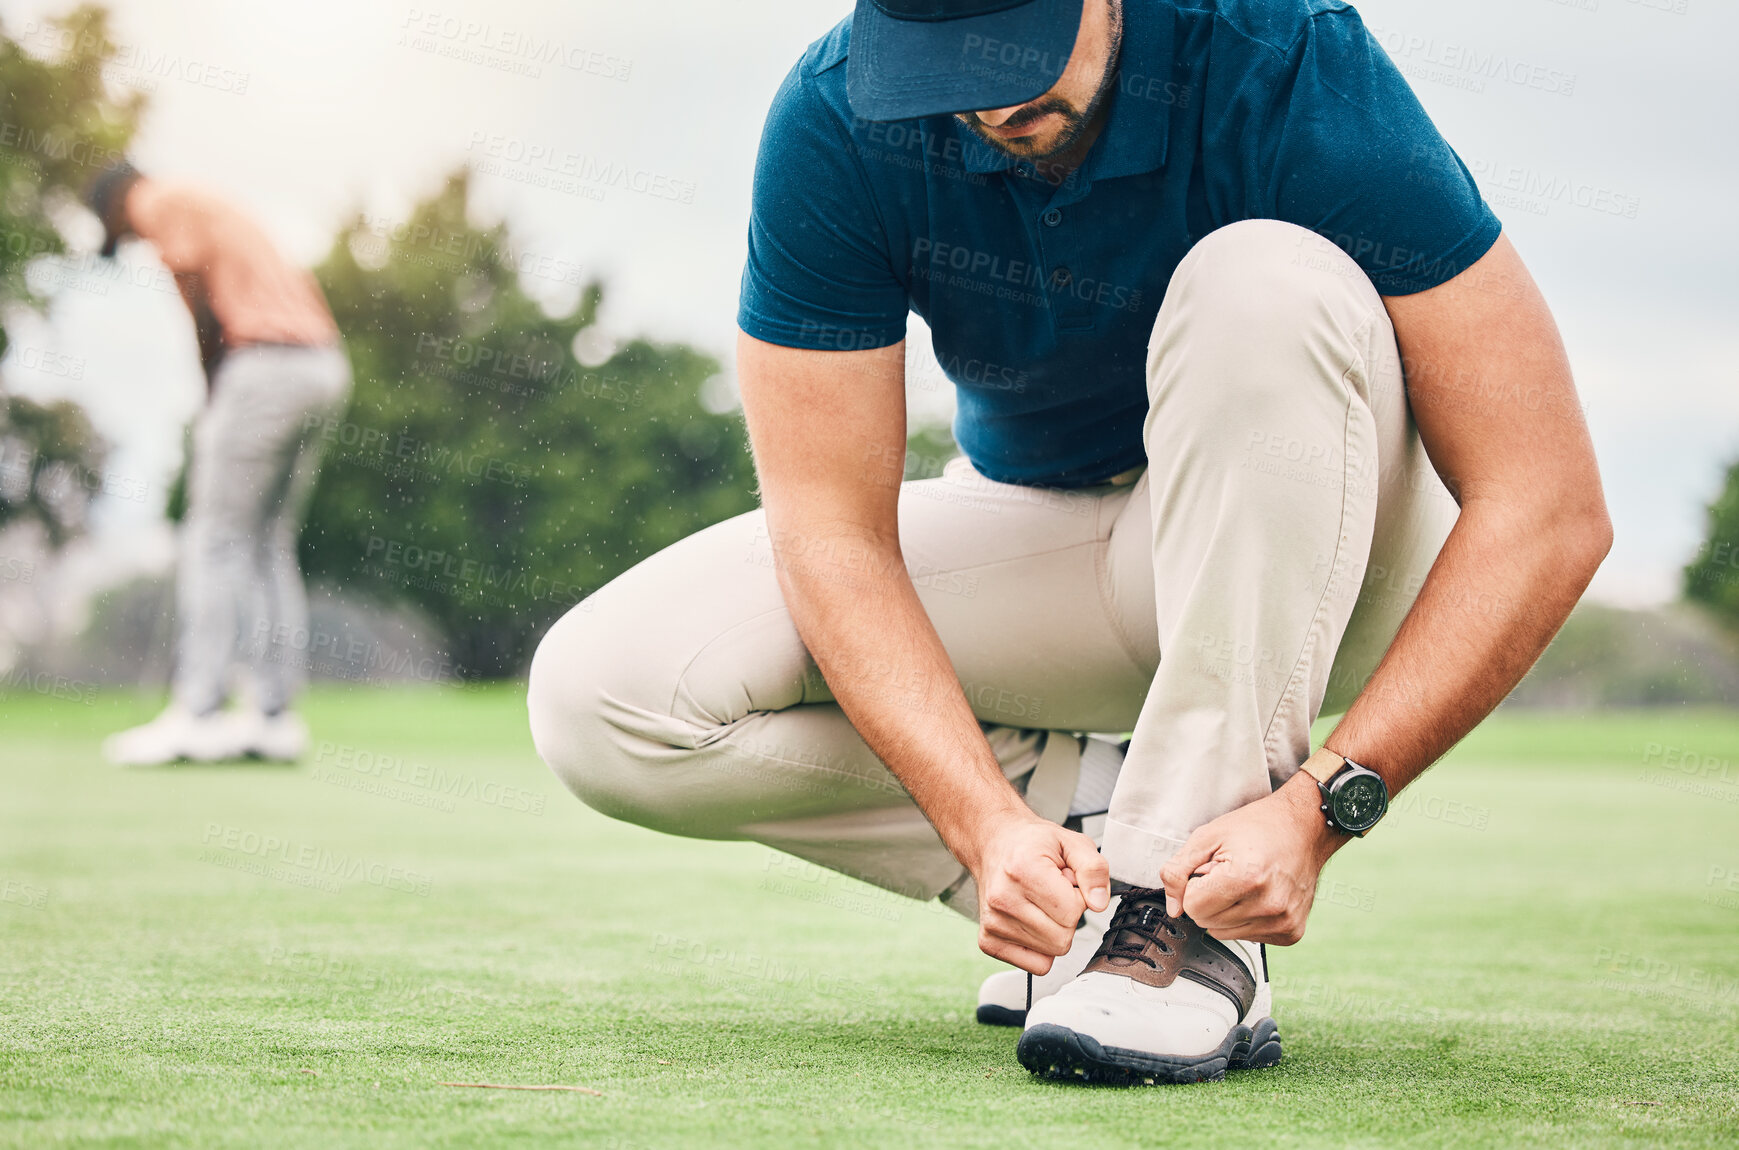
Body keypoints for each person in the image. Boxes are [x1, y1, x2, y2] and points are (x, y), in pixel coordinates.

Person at [527, 0, 1610, 1085]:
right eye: (942, 63)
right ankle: (1096, 865)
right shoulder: (834, 110)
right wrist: (983, 824)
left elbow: (1547, 502)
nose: (993, 100)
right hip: (1048, 540)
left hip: (1331, 548)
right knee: (603, 694)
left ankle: (1184, 926)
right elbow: (832, 539)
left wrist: (1324, 804)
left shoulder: (1282, 55)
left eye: (1022, 44)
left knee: (1261, 279)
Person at [88, 162, 352, 765]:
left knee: (216, 538)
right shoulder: (208, 200)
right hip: (321, 365)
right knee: (265, 542)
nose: (128, 240)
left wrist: (213, 385)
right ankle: (272, 716)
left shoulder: (156, 202)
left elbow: (198, 289)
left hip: (263, 364)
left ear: (113, 205)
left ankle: (199, 711)